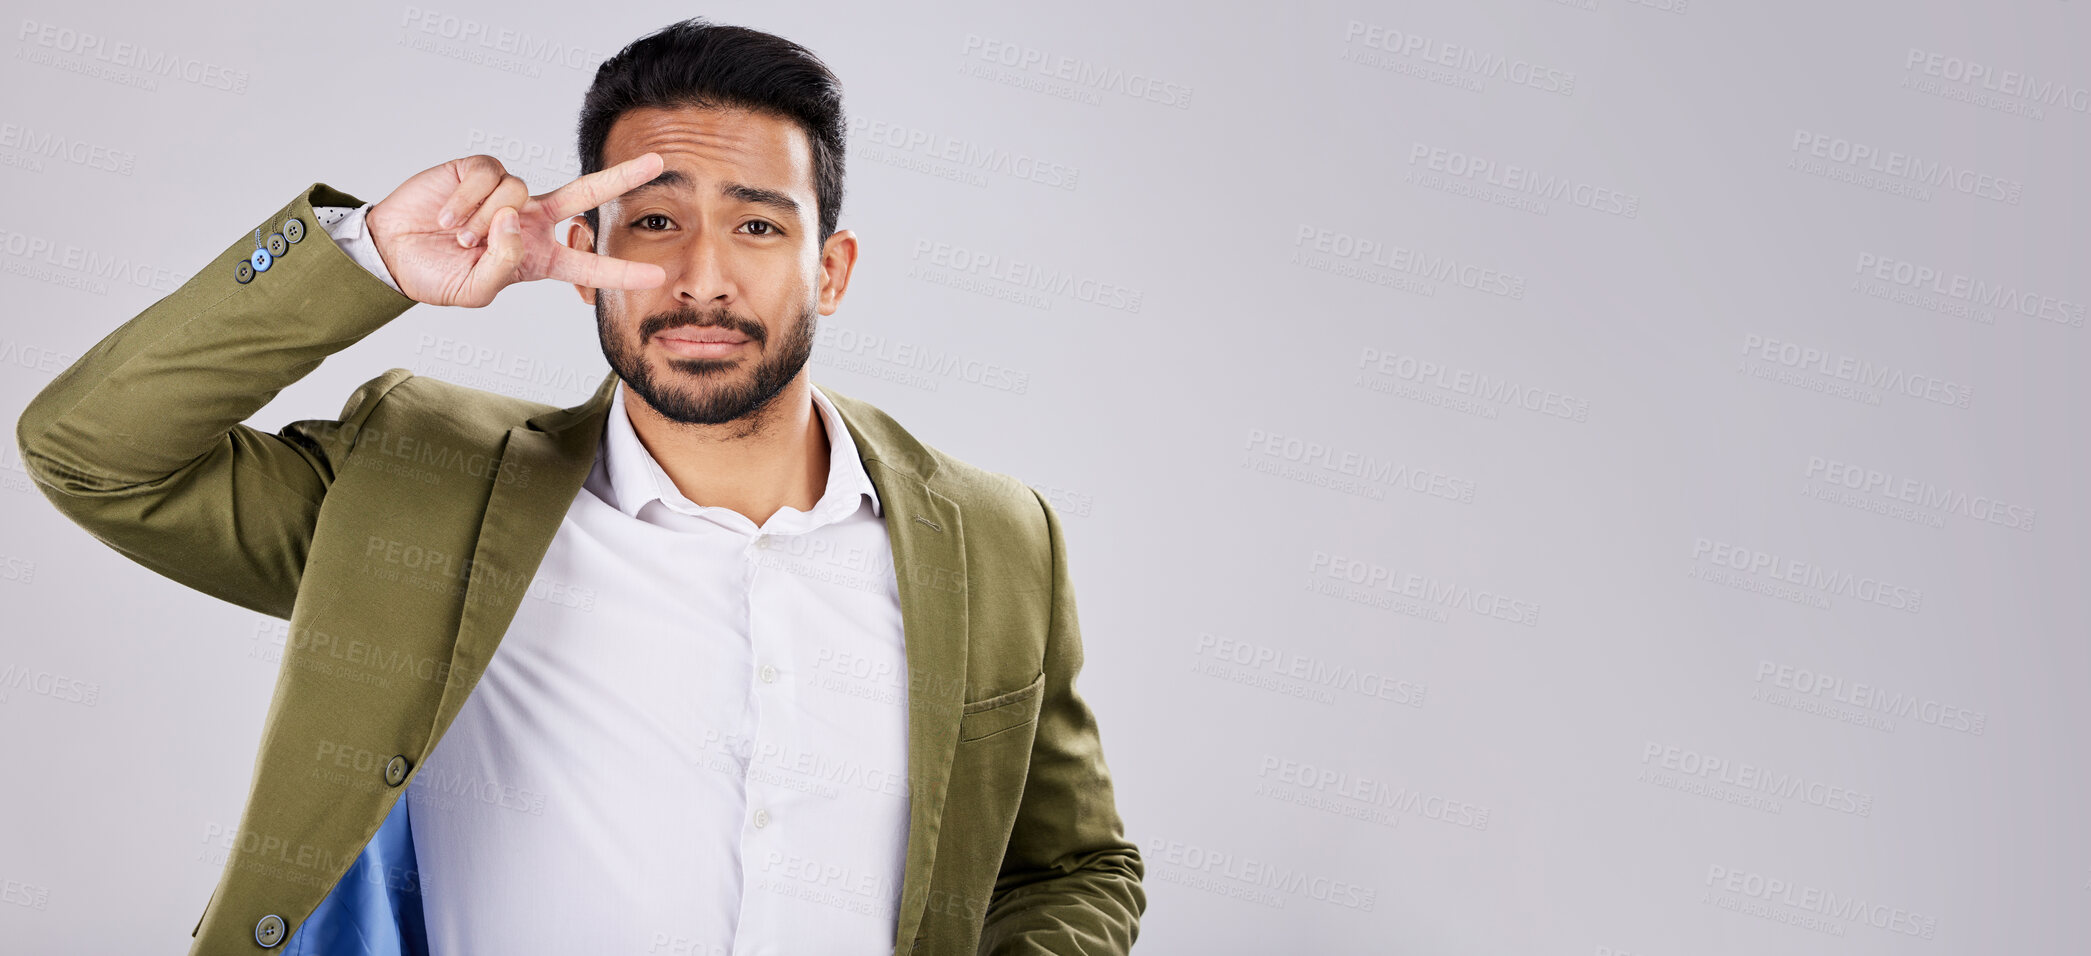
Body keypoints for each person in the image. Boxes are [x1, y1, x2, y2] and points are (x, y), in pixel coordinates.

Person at [13, 17, 1142, 956]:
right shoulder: (420, 489)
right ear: (582, 253)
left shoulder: (998, 539)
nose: (700, 278)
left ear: (830, 271)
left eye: (756, 224)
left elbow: (1076, 866)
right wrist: (365, 256)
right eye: (654, 222)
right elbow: (92, 451)